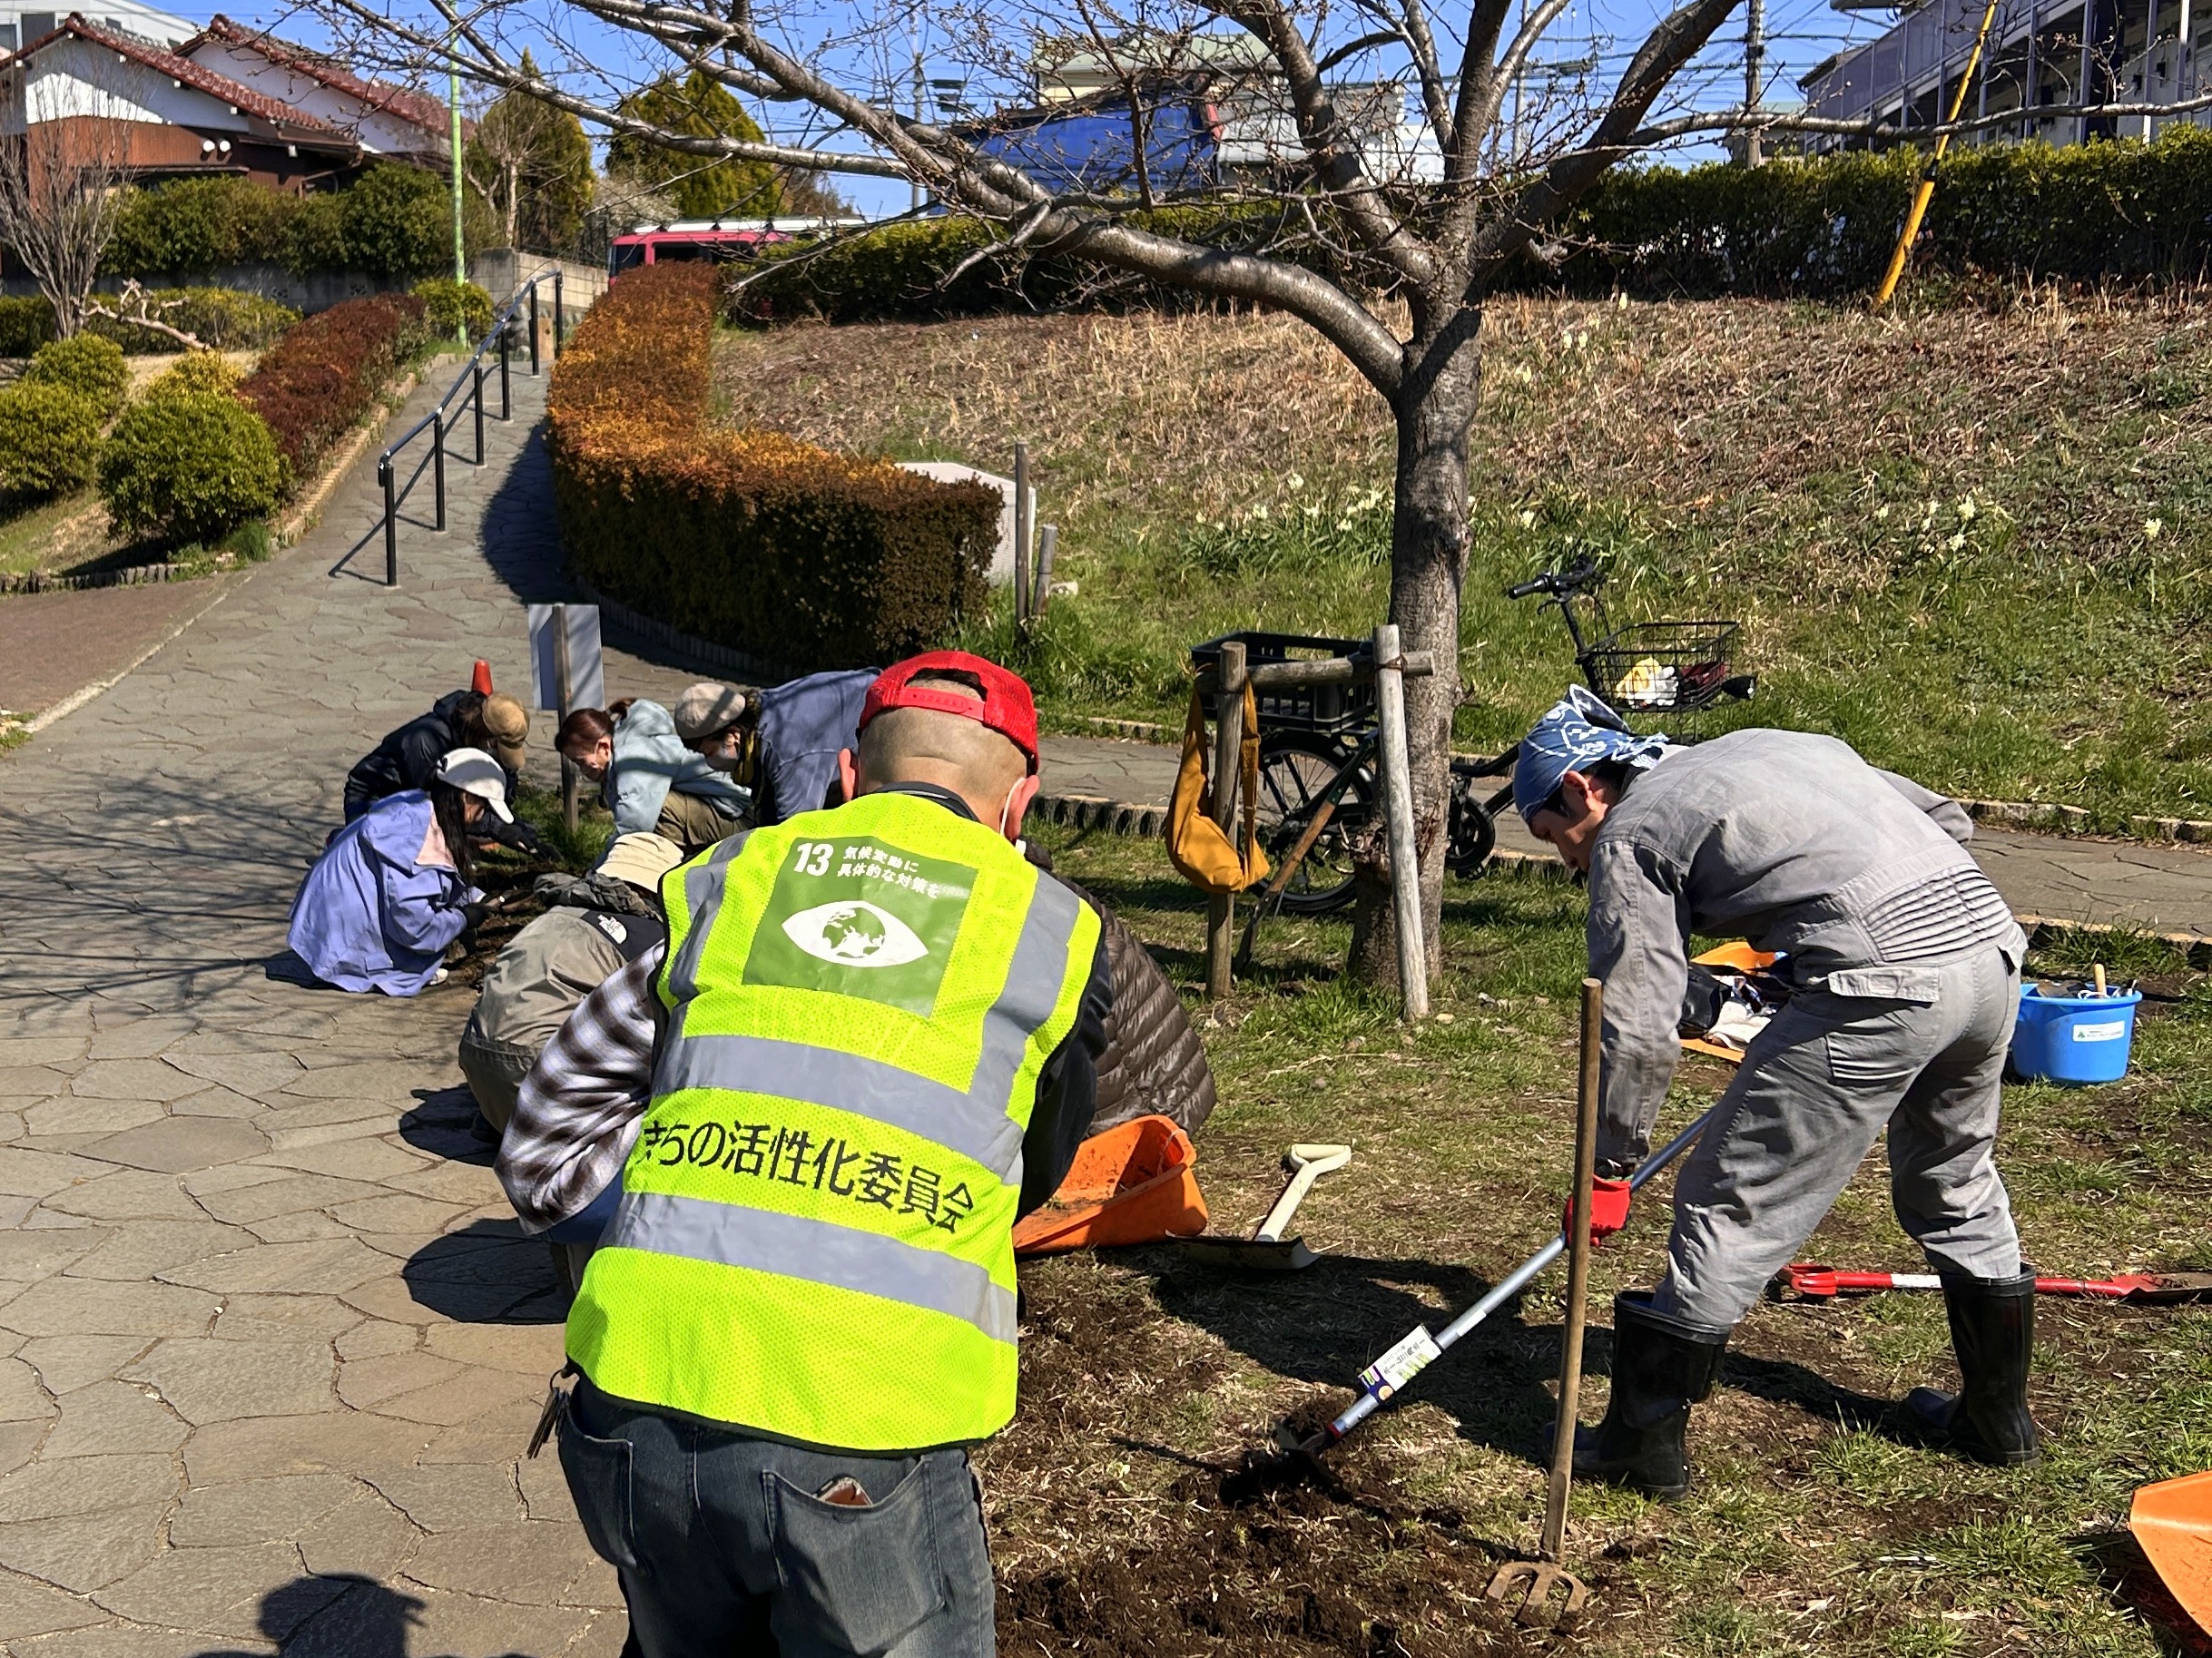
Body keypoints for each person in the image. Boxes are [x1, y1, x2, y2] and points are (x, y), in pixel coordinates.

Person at [500, 651, 1109, 1656]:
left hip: (636, 1402)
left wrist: (704, 1176)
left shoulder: (729, 884)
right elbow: (1032, 1176)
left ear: (848, 776)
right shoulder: (1046, 931)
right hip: (860, 1423)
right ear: (1021, 804)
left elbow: (543, 1135)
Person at [1513, 687, 2031, 1500]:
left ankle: (1639, 1444)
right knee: (1953, 1178)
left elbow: (1637, 1019)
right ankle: (1997, 1421)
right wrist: (1818, 948)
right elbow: (1947, 821)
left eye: (1553, 836)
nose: (1566, 860)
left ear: (1581, 788)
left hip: (1884, 985)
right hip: (1988, 953)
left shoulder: (1632, 832)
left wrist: (1607, 1164)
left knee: (1732, 1196)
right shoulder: (1773, 745)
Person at [457, 831, 683, 1137]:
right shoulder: (646, 937)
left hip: (477, 1060)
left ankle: (504, 1122)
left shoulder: (557, 914)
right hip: (542, 1077)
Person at [289, 750, 513, 997]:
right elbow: (414, 926)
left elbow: (434, 882)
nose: (481, 817)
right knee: (417, 965)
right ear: (466, 797)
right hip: (339, 942)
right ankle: (364, 968)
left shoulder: (416, 807)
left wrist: (473, 897)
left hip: (320, 926)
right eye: (483, 808)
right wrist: (463, 919)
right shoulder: (419, 844)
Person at [556, 697, 748, 854]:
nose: (582, 771)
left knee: (658, 811)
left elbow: (634, 825)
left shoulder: (635, 758)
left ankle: (663, 877)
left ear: (605, 747)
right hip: (724, 809)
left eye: (582, 762)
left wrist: (601, 870)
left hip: (742, 817)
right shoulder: (629, 745)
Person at [344, 690, 529, 821]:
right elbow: (444, 808)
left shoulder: (476, 734)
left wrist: (511, 819)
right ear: (487, 737)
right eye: (499, 748)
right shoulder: (425, 742)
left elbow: (504, 773)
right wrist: (501, 830)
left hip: (416, 798)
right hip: (376, 799)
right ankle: (344, 839)